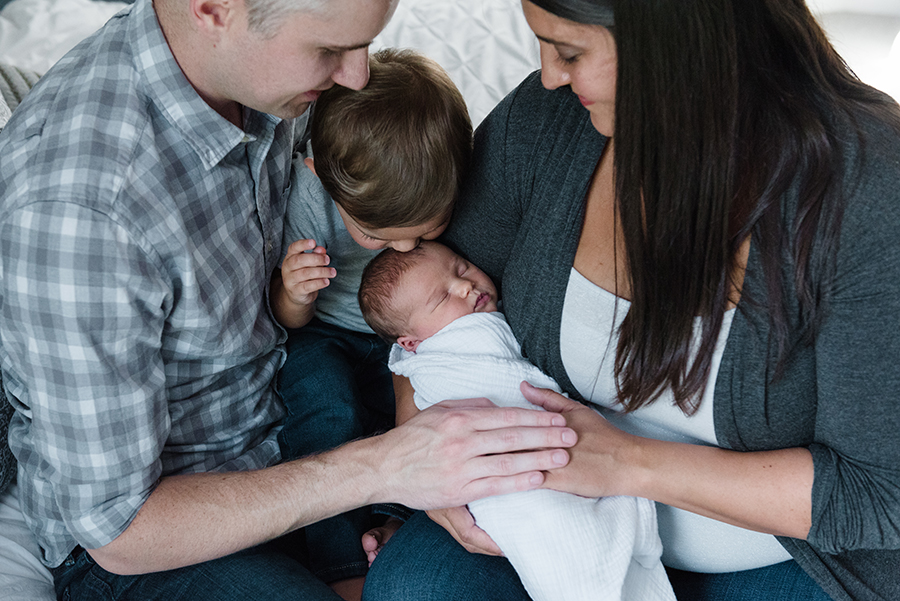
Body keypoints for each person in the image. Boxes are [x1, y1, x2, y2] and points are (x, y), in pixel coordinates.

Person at [0, 0, 578, 600]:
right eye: (330, 50)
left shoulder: (262, 81)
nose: (357, 75)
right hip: (167, 529)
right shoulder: (80, 218)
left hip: (296, 435)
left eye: (363, 43)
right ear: (214, 9)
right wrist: (386, 465)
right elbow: (118, 528)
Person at [362, 1, 900, 601]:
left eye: (570, 52)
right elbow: (418, 301)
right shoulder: (548, 119)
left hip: (782, 553)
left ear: (673, 39)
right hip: (554, 513)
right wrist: (426, 454)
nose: (549, 75)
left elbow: (880, 495)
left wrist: (626, 462)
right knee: (415, 586)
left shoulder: (870, 193)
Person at [357, 240, 676, 601]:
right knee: (550, 532)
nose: (465, 286)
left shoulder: (477, 318)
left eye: (462, 268)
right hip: (496, 478)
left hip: (580, 453)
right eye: (443, 297)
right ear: (411, 343)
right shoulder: (436, 358)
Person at [271, 47, 472, 593]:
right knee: (324, 409)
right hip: (325, 332)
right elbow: (285, 321)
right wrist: (294, 292)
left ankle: (396, 526)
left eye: (425, 232)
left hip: (402, 338)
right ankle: (340, 566)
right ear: (320, 176)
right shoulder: (309, 199)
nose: (404, 247)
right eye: (377, 236)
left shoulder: (437, 178)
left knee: (427, 417)